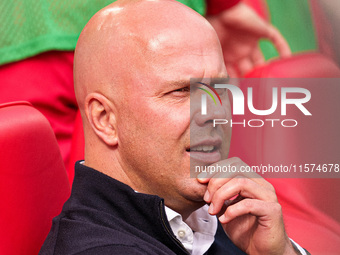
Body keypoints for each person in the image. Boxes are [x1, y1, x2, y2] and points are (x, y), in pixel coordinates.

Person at [39, 0, 307, 254]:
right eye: (181, 91)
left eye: (218, 89)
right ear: (105, 119)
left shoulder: (226, 220)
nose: (214, 113)